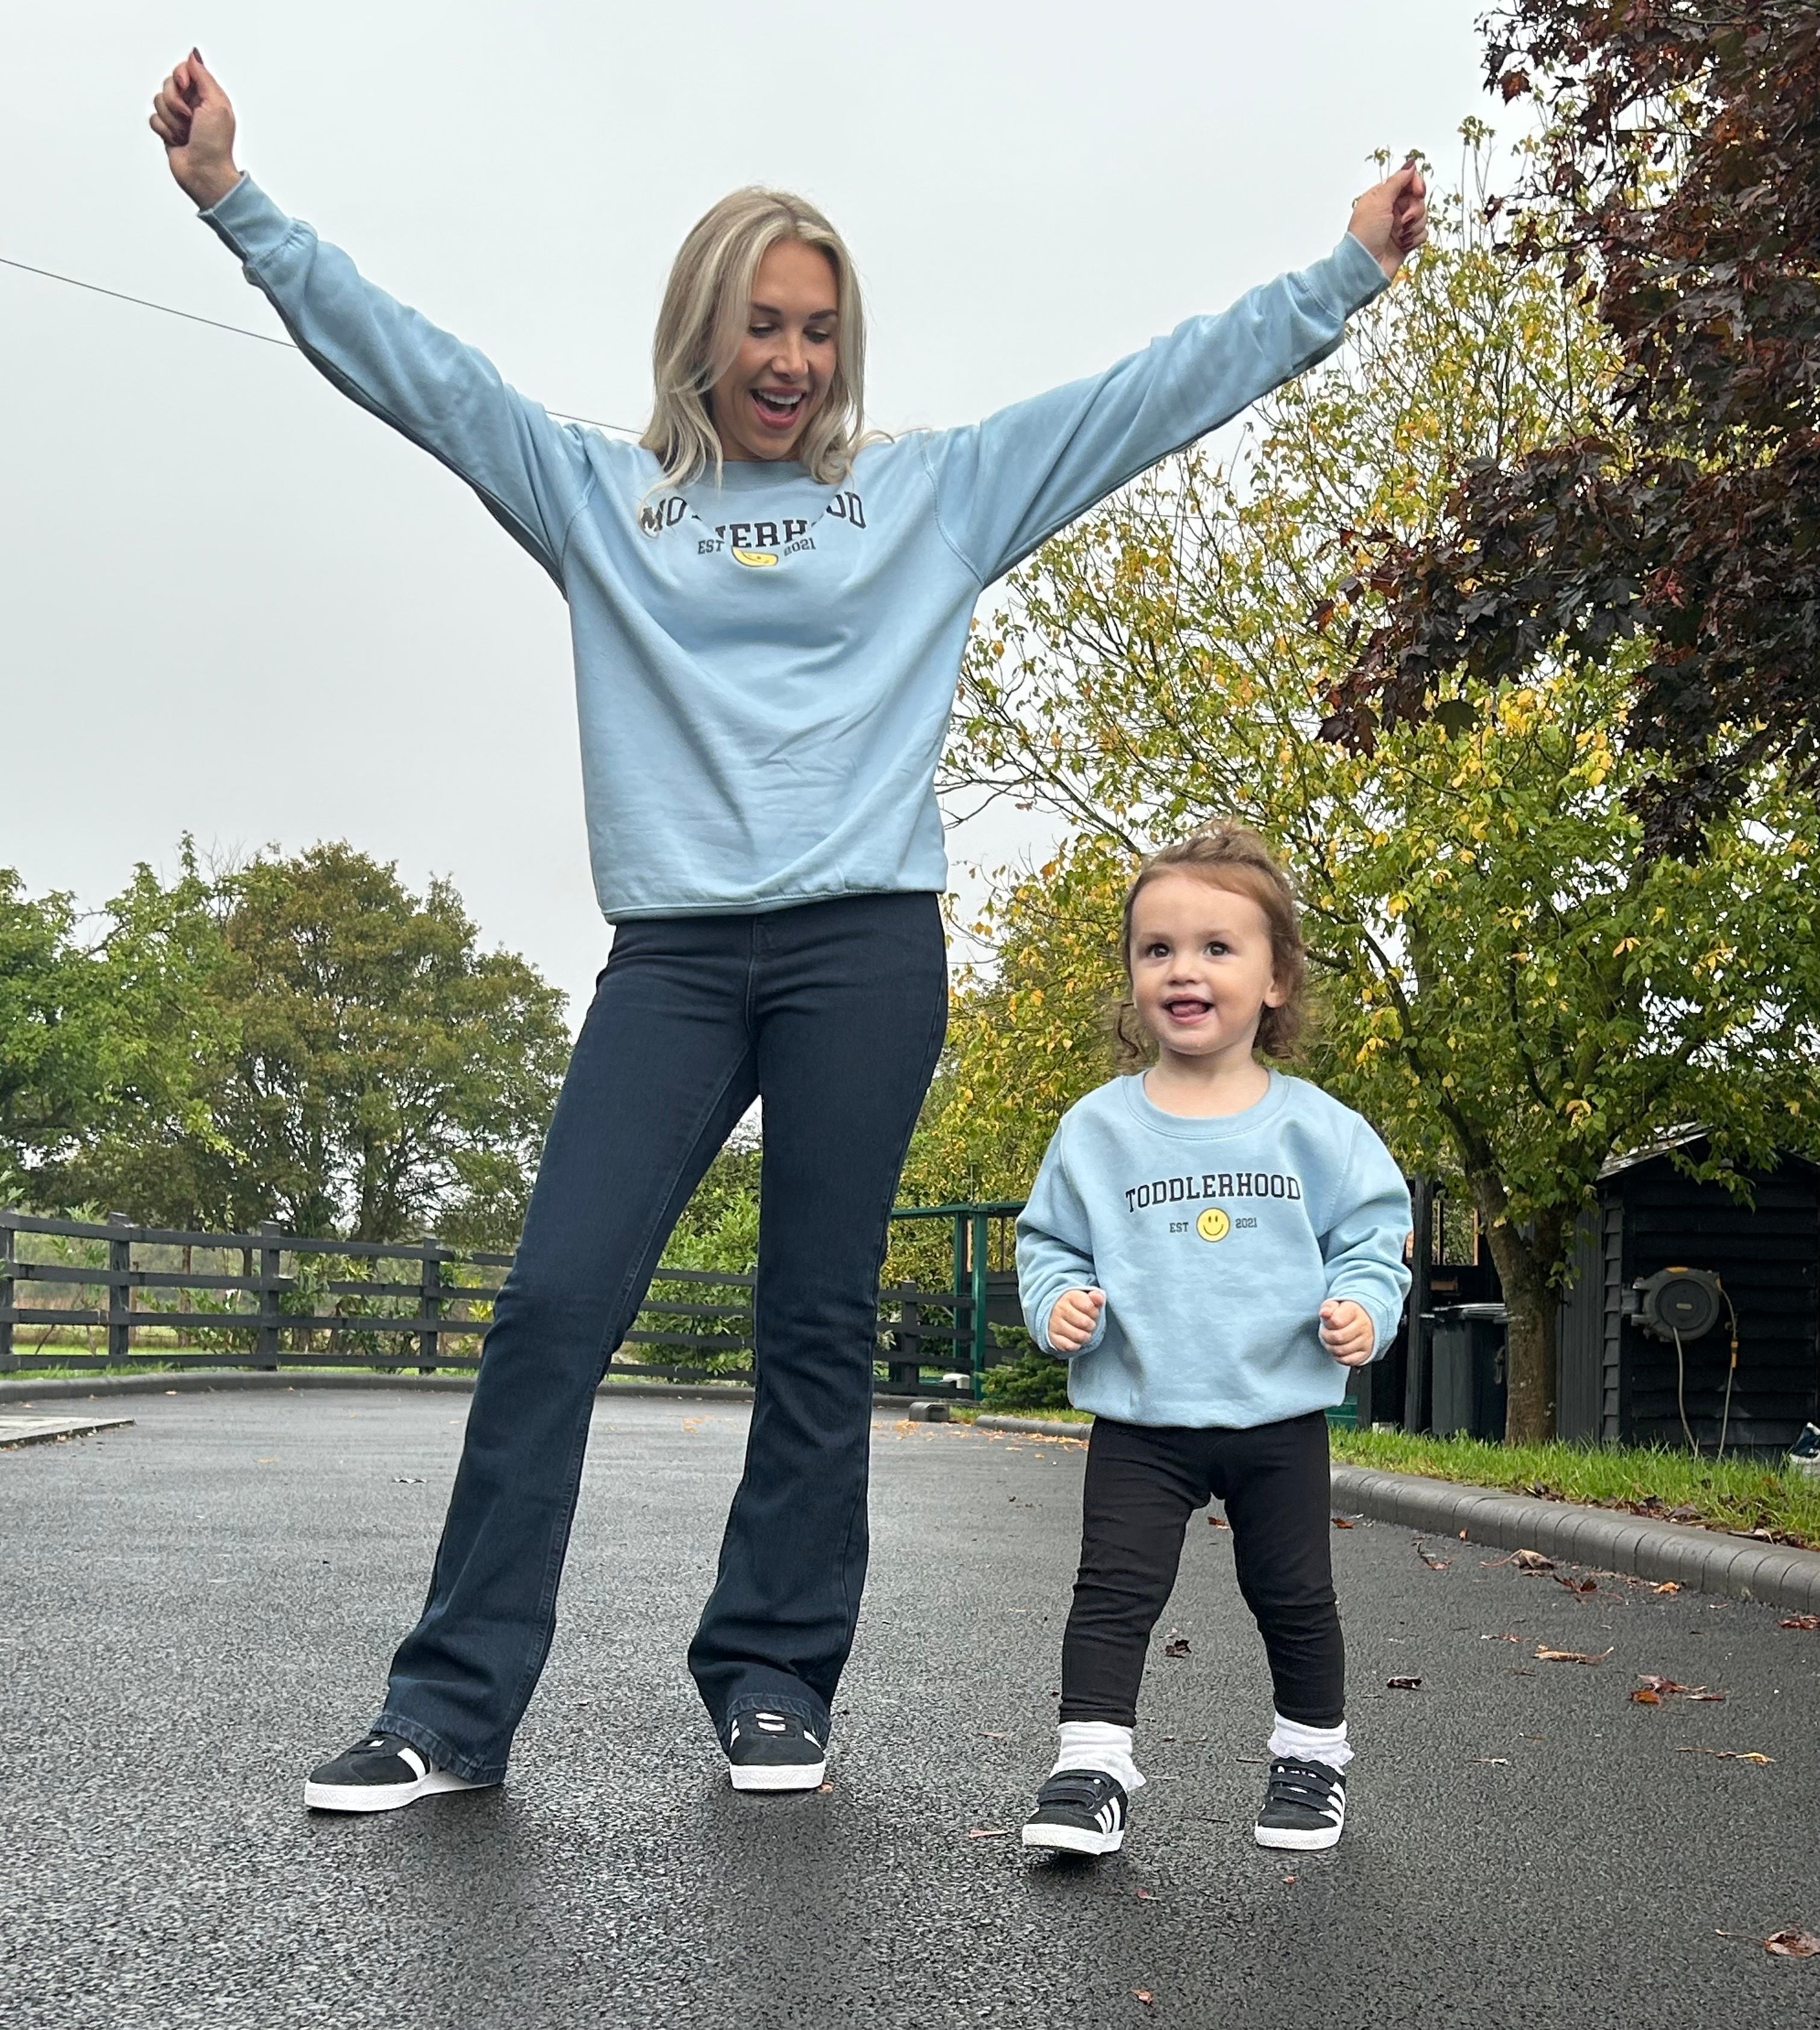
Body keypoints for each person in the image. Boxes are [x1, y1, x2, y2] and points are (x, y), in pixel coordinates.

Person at [148, 51, 1428, 1814]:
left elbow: (1144, 396)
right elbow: (416, 372)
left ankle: (770, 1675)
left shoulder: (931, 494)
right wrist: (236, 203)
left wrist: (1338, 278)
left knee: (812, 1321)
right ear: (701, 331)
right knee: (548, 1309)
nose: (789, 360)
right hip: (672, 960)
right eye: (759, 322)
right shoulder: (603, 497)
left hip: (862, 953)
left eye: (818, 329)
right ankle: (448, 1704)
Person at [1015, 827, 1412, 1857]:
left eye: (1216, 948)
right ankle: (1090, 1764)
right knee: (1112, 1587)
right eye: (1156, 949)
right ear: (1133, 976)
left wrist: (1362, 1307)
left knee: (1291, 1592)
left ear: (1276, 979)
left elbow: (1373, 1236)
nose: (1182, 969)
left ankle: (1311, 1756)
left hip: (1277, 1412)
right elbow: (1048, 1240)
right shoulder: (1095, 1130)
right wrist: (1055, 1300)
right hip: (1141, 1414)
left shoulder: (1317, 1128)